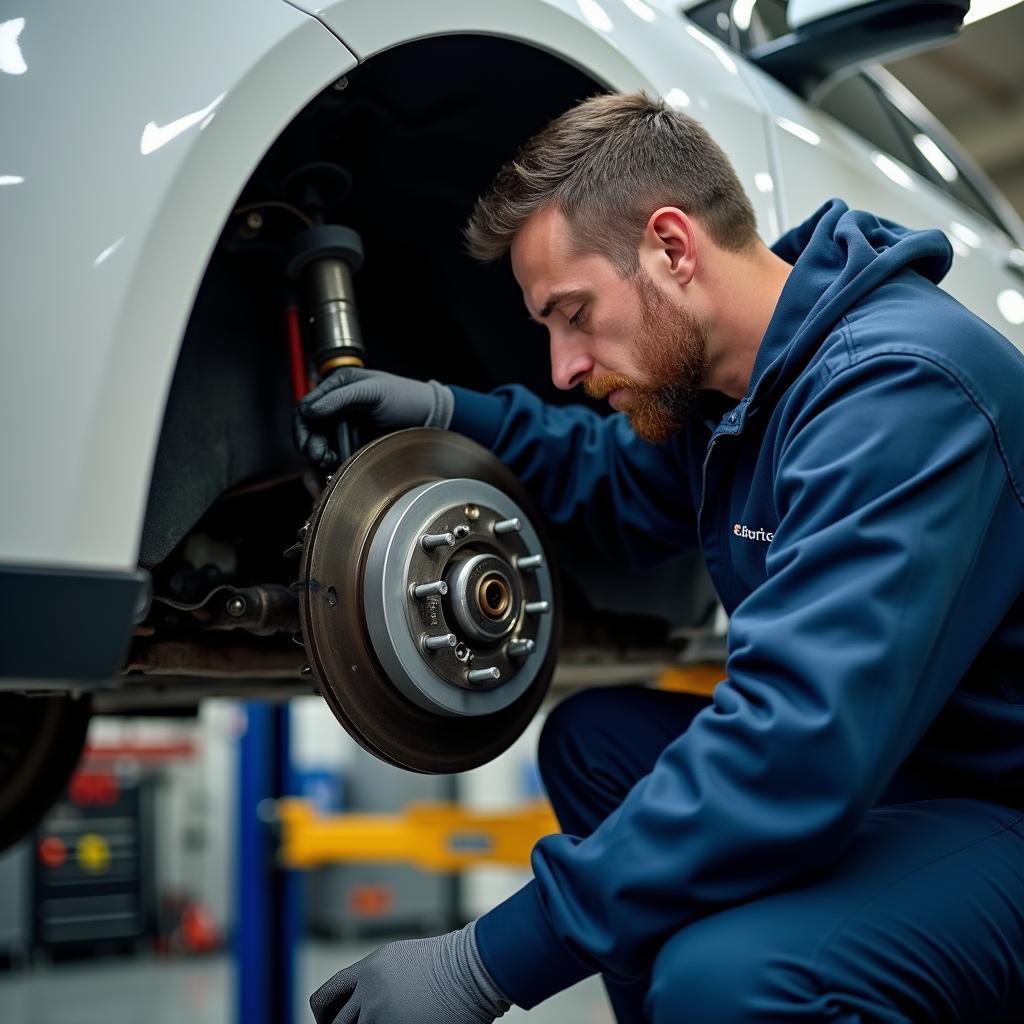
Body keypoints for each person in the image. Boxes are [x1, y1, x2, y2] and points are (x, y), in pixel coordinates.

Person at [295, 93, 1024, 1023]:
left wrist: (485, 965)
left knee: (731, 979)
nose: (562, 365)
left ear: (673, 248)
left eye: (573, 314)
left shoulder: (902, 389)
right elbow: (609, 477)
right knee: (595, 745)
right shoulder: (734, 391)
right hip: (906, 761)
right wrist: (446, 412)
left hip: (996, 800)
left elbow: (792, 745)